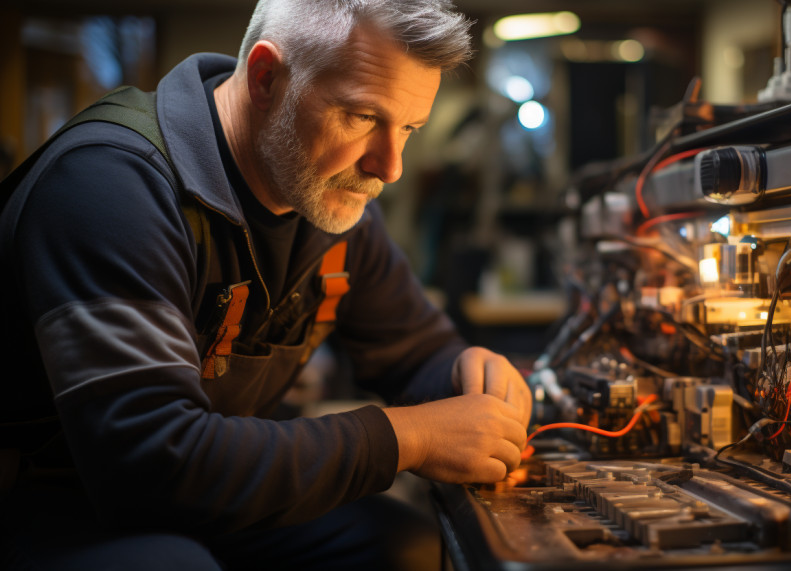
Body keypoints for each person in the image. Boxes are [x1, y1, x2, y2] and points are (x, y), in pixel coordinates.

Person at [0, 1, 532, 569]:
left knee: (405, 546)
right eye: (362, 117)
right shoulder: (109, 187)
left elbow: (416, 351)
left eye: (409, 127)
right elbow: (150, 462)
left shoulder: (330, 204)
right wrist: (408, 437)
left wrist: (464, 373)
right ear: (264, 77)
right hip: (52, 502)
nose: (390, 166)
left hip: (205, 496)